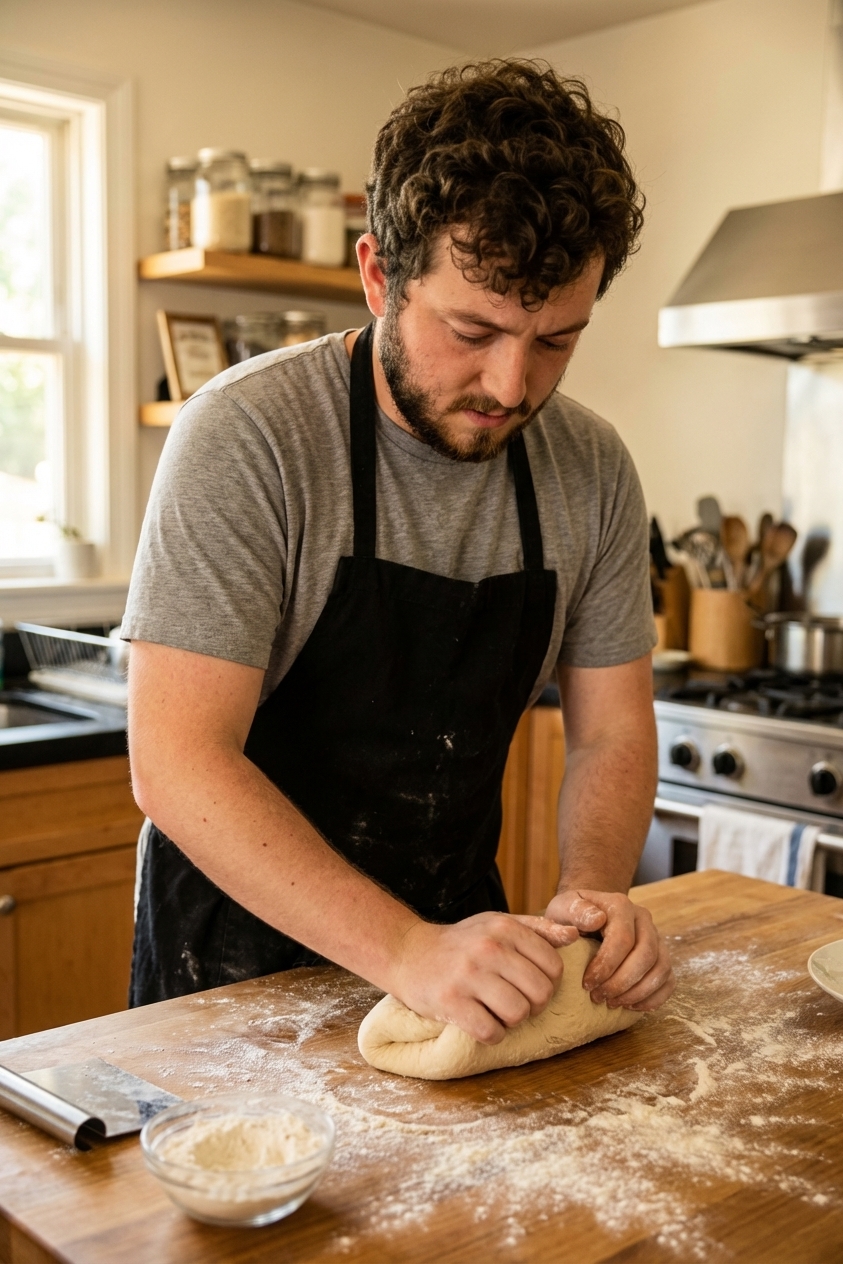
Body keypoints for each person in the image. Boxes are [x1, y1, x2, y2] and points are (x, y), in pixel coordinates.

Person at [125, 59, 675, 1041]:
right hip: (229, 981)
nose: (511, 383)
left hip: (459, 960)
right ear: (379, 275)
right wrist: (405, 949)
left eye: (556, 340)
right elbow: (176, 761)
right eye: (474, 329)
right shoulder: (251, 437)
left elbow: (610, 732)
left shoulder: (590, 469)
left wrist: (594, 897)